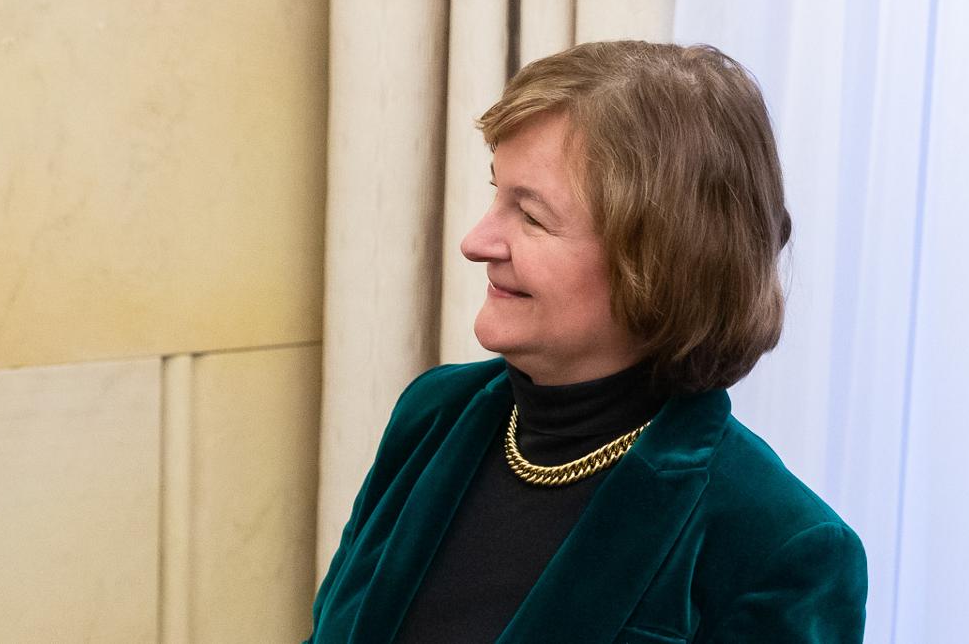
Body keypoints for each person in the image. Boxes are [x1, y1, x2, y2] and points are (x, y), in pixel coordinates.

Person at [307, 42, 868, 643]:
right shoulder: (432, 415)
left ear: (661, 259)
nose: (476, 241)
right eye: (497, 194)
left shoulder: (780, 547)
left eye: (532, 216)